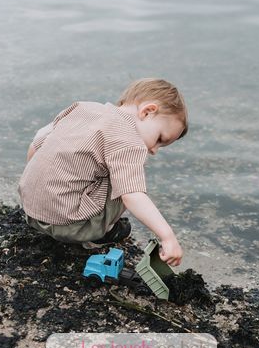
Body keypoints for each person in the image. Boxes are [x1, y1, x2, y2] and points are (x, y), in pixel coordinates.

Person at [18, 78, 188, 266]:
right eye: (160, 139)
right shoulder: (129, 141)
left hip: (30, 211)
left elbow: (37, 144)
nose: (154, 150)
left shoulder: (82, 108)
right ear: (147, 111)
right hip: (68, 226)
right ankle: (101, 232)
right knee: (129, 180)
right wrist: (168, 237)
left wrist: (37, 190)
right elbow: (132, 194)